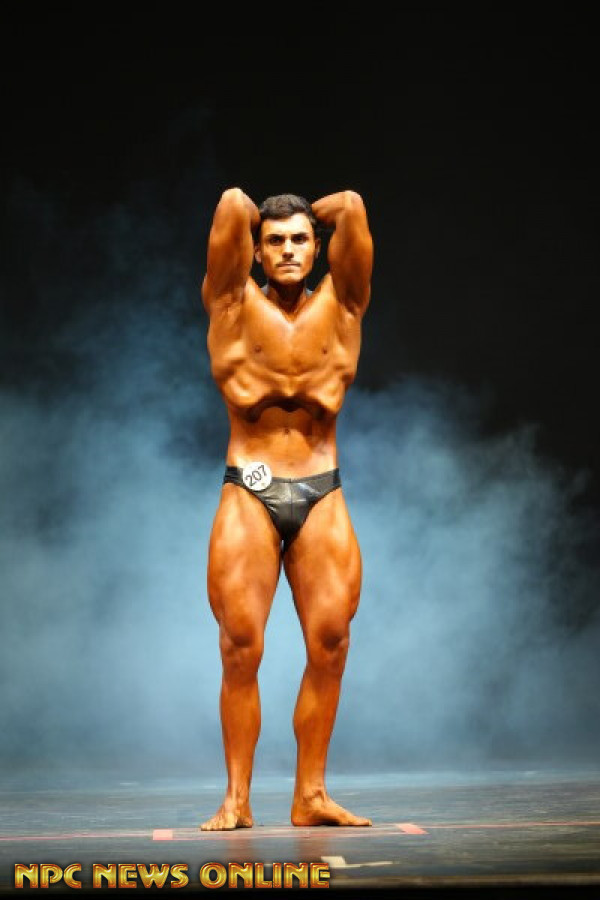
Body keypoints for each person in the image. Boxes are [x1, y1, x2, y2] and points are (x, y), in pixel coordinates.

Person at [200, 188, 373, 830]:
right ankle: (237, 800)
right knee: (240, 647)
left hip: (320, 486)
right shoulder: (230, 302)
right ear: (256, 252)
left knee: (331, 643)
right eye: (275, 241)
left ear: (318, 247)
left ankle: (311, 795)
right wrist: (256, 216)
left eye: (300, 239)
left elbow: (352, 206)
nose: (289, 250)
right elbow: (230, 204)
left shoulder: (344, 302)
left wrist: (312, 211)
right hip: (249, 487)